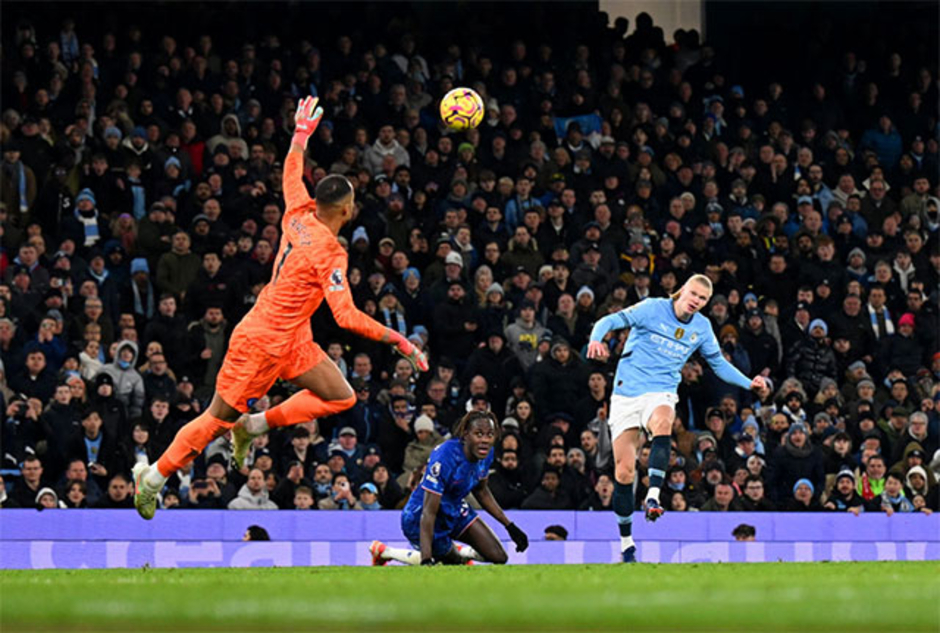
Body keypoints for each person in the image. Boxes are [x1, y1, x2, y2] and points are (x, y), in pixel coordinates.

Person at [132, 96, 428, 519]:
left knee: (341, 396)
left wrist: (300, 133)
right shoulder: (330, 253)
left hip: (292, 337)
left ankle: (255, 425)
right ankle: (154, 478)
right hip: (259, 342)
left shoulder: (298, 212)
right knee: (215, 419)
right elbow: (345, 317)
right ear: (347, 210)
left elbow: (292, 171)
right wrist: (401, 341)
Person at [586, 274, 767, 562]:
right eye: (693, 294)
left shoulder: (702, 327)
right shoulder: (652, 308)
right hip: (626, 394)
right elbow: (610, 321)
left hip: (662, 390)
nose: (696, 301)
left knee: (663, 422)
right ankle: (626, 543)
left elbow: (718, 363)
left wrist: (749, 383)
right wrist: (597, 339)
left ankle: (654, 496)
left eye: (703, 299)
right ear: (682, 291)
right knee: (623, 472)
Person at [369, 411, 528, 565]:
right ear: (466, 435)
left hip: (454, 508)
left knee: (500, 557)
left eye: (490, 434)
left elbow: (481, 491)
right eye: (479, 434)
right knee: (452, 561)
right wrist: (426, 559)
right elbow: (429, 512)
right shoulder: (445, 456)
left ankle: (458, 552)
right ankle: (384, 552)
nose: (485, 440)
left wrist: (509, 526)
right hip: (420, 517)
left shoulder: (486, 454)